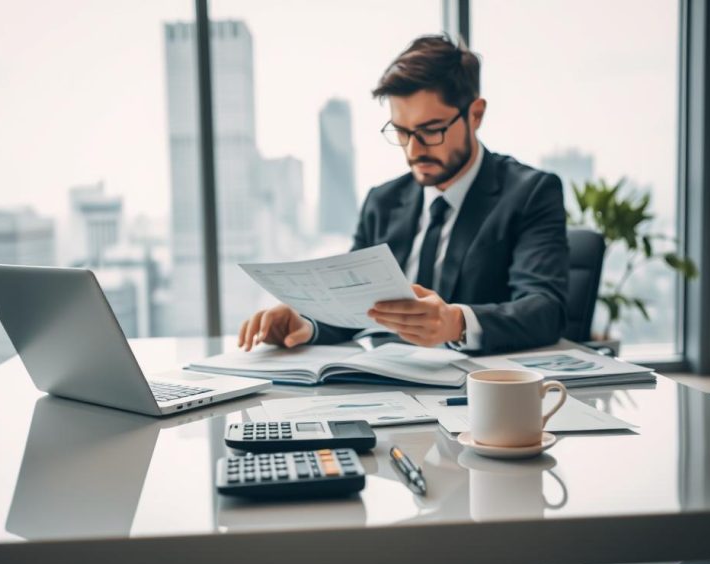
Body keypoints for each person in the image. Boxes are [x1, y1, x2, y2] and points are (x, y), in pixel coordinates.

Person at [237, 34, 568, 355]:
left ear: (475, 115)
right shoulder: (382, 202)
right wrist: (304, 322)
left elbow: (545, 309)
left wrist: (457, 323)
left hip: (480, 393)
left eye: (431, 130)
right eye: (401, 131)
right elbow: (354, 309)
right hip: (388, 388)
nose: (414, 149)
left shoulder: (530, 193)